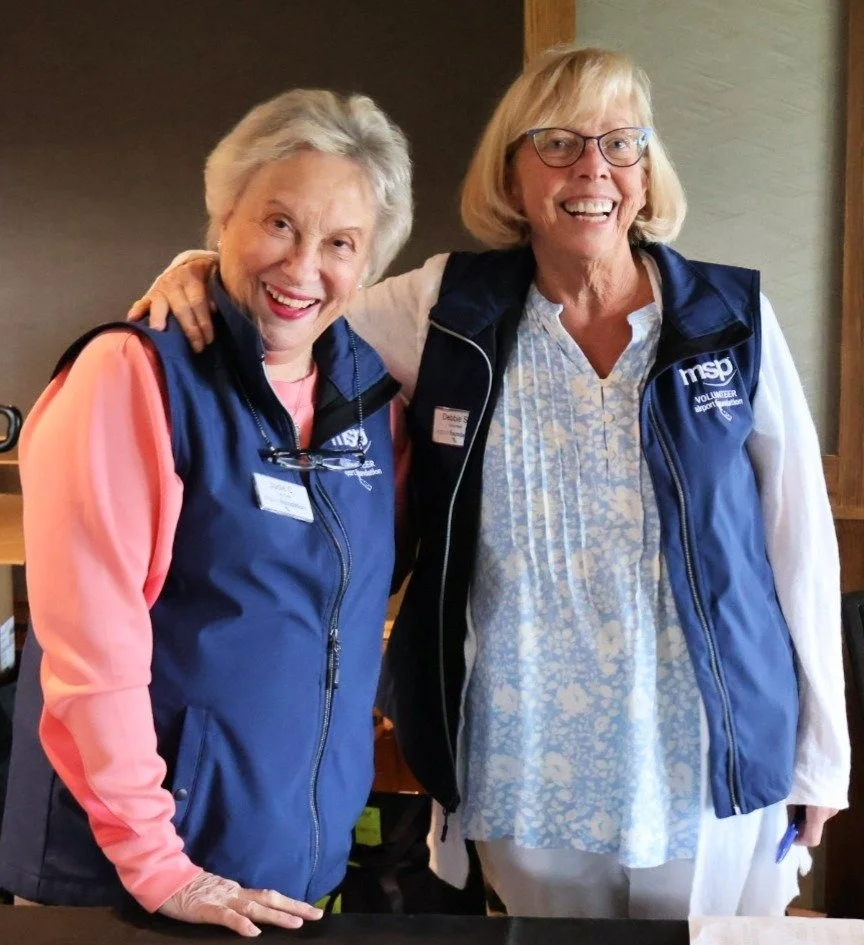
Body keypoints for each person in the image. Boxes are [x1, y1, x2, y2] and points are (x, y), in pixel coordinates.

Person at [127, 46, 849, 919]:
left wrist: (822, 755)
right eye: (557, 143)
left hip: (705, 744)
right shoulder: (447, 305)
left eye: (622, 144)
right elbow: (298, 294)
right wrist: (197, 264)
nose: (593, 168)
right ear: (511, 174)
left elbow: (799, 539)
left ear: (648, 174)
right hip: (525, 747)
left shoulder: (728, 320)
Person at [0, 88, 413, 936]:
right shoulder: (132, 376)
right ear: (222, 217)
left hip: (285, 865)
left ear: (370, 265)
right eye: (278, 223)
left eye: (340, 242)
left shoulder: (372, 396)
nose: (303, 267)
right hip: (130, 873)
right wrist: (159, 867)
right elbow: (91, 654)